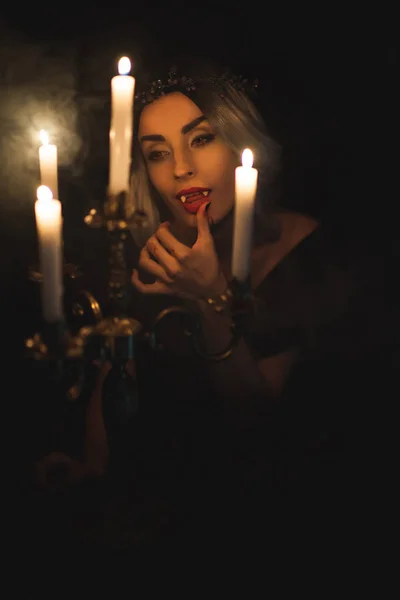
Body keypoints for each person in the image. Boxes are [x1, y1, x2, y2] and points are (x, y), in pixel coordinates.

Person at [33, 64, 384, 549]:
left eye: (200, 140)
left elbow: (257, 417)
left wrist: (208, 296)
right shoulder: (153, 256)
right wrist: (95, 470)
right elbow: (113, 371)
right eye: (157, 153)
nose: (180, 168)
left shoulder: (314, 258)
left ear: (242, 143)